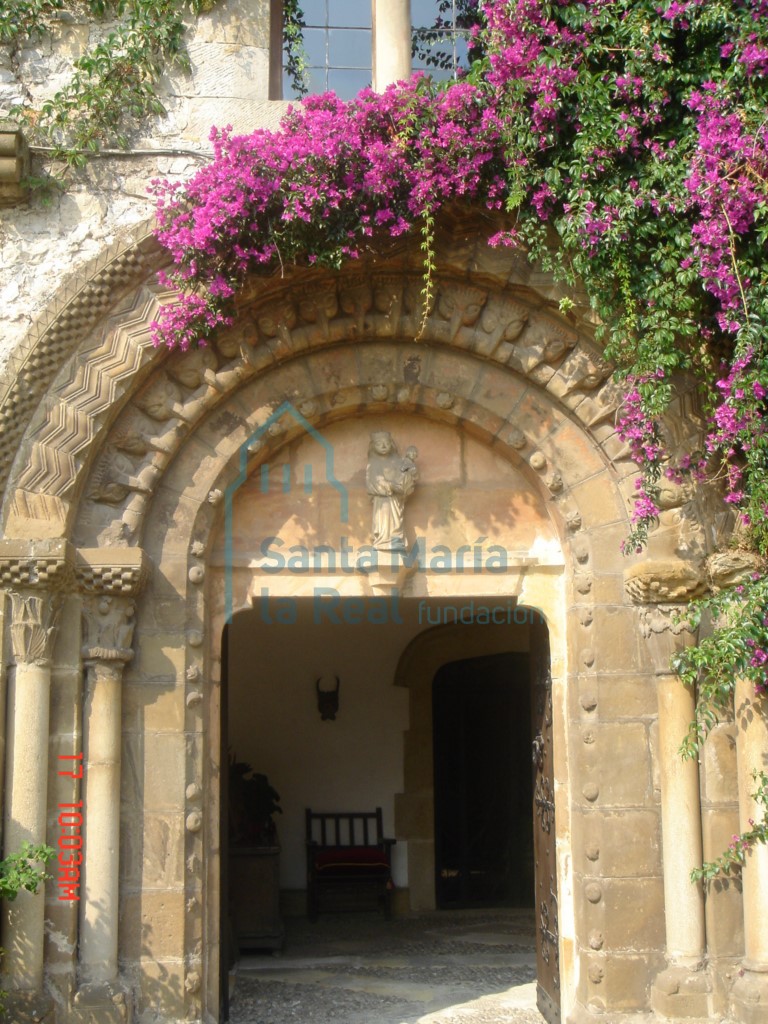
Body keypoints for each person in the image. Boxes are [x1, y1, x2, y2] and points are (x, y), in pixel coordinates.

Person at [366, 432, 418, 550]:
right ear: (373, 446)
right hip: (382, 500)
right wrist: (390, 486)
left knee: (396, 521)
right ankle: (383, 542)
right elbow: (372, 483)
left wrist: (409, 475)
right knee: (383, 521)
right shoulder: (373, 464)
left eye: (387, 443)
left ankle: (396, 541)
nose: (384, 446)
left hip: (396, 499)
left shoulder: (398, 461)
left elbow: (405, 476)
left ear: (391, 444)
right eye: (379, 444)